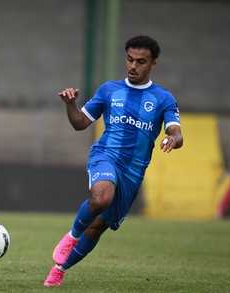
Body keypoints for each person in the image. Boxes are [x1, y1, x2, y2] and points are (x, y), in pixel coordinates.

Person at [44, 35, 183, 286]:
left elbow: (176, 132)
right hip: (105, 156)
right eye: (129, 59)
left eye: (141, 61)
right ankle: (72, 236)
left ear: (153, 64)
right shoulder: (109, 90)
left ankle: (60, 270)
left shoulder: (163, 98)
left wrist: (173, 139)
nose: (133, 66)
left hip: (133, 172)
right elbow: (80, 123)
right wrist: (70, 104)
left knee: (97, 227)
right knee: (101, 198)